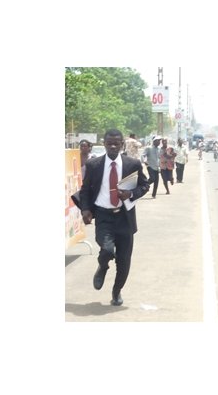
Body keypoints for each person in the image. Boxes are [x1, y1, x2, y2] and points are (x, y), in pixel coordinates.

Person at [78, 129, 151, 306]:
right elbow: (85, 190)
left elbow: (144, 185)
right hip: (103, 216)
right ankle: (102, 266)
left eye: (116, 143)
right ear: (104, 144)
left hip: (125, 217)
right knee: (107, 250)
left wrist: (131, 194)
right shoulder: (94, 165)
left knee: (124, 261)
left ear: (121, 145)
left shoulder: (132, 164)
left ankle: (116, 291)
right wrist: (85, 209)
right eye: (109, 143)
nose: (112, 146)